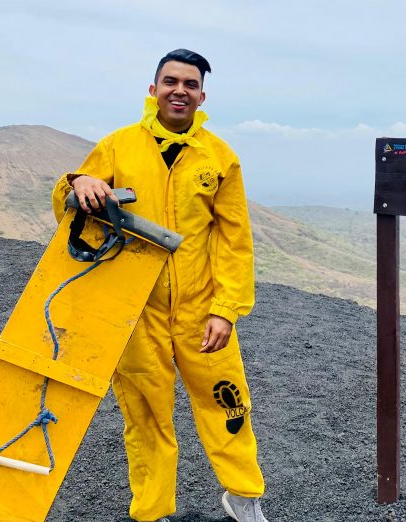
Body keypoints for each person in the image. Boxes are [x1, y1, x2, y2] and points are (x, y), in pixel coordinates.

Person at [51, 49, 268, 522]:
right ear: (153, 90)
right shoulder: (117, 147)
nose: (179, 90)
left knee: (227, 401)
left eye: (190, 84)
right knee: (145, 414)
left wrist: (225, 309)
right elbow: (67, 206)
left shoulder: (220, 157)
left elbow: (235, 240)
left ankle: (244, 498)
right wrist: (81, 179)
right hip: (134, 307)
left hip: (200, 309)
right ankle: (151, 512)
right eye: (171, 81)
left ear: (201, 96)